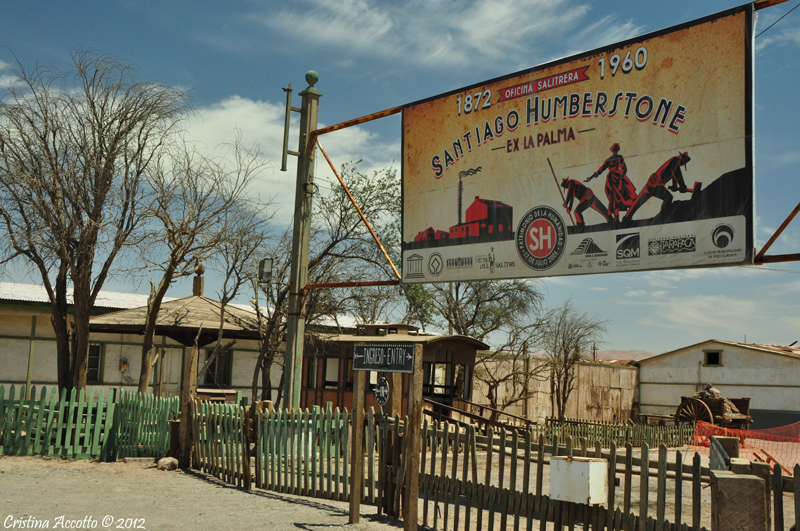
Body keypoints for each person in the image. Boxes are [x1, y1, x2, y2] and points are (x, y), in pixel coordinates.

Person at [623, 152, 691, 223]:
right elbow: (677, 173)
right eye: (683, 163)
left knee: (638, 201)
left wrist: (675, 186)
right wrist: (682, 186)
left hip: (653, 183)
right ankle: (665, 218)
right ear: (681, 159)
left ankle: (626, 218)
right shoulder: (675, 161)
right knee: (668, 197)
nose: (682, 164)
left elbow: (674, 174)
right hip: (656, 184)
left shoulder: (674, 162)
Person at [585, 143, 637, 222]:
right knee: (614, 199)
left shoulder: (617, 158)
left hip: (618, 179)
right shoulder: (610, 160)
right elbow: (601, 170)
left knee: (623, 197)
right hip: (613, 180)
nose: (614, 151)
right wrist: (591, 177)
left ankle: (626, 216)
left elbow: (623, 168)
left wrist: (621, 179)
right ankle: (617, 218)